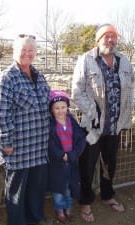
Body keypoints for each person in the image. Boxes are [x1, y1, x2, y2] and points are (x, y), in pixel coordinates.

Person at [71, 23, 135, 222]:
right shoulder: (86, 60)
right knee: (87, 165)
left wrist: (125, 114)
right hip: (93, 127)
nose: (110, 40)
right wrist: (93, 112)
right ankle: (86, 202)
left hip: (115, 126)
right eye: (106, 36)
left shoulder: (124, 60)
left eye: (113, 36)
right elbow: (77, 91)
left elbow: (131, 87)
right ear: (98, 40)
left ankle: (107, 195)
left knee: (110, 163)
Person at [0, 34, 53, 225]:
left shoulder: (39, 76)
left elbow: (48, 101)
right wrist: (6, 143)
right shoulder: (7, 78)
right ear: (14, 51)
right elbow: (0, 114)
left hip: (39, 147)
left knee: (36, 187)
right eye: (23, 50)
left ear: (35, 52)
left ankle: (36, 217)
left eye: (31, 50)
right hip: (18, 148)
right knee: (16, 191)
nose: (27, 54)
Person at [47, 90, 86, 224]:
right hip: (57, 164)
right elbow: (50, 143)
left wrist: (73, 154)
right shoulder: (50, 126)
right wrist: (60, 155)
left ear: (67, 107)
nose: (60, 110)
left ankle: (67, 208)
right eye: (56, 108)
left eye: (63, 107)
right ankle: (59, 211)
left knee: (69, 186)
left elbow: (81, 139)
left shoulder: (72, 122)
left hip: (72, 161)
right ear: (52, 109)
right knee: (59, 188)